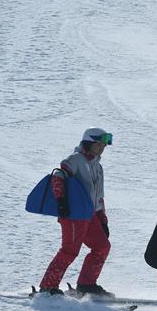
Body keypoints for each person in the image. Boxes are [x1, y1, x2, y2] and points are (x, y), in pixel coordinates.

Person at [39, 127, 114, 297]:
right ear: (88, 143)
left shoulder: (98, 166)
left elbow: (99, 196)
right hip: (74, 214)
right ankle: (48, 286)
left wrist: (103, 220)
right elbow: (59, 174)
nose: (102, 148)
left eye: (103, 146)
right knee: (69, 250)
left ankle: (86, 284)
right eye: (99, 144)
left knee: (102, 246)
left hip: (91, 215)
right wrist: (62, 202)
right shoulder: (76, 159)